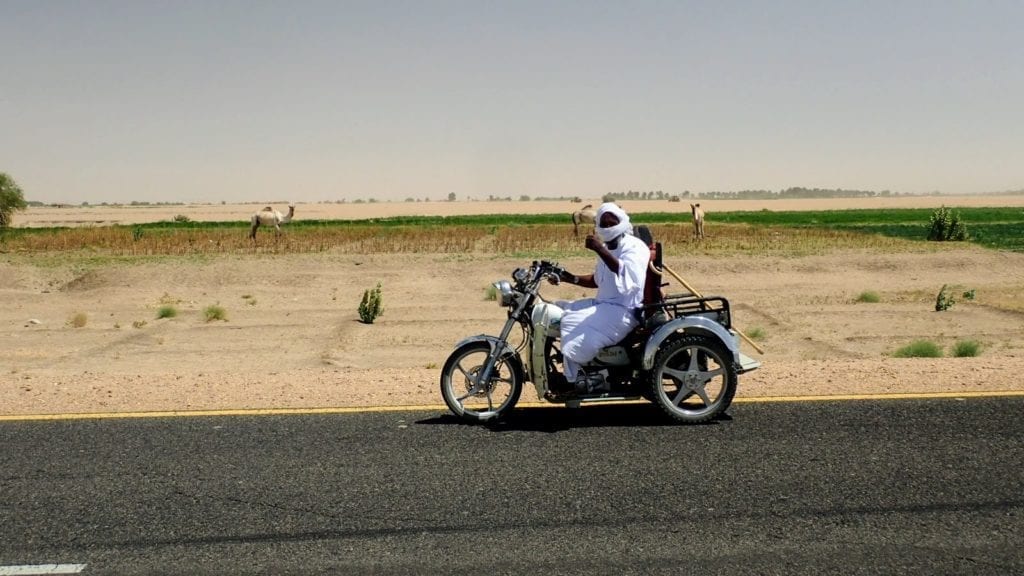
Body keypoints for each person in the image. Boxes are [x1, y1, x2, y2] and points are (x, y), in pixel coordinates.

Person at [552, 202, 649, 393]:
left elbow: (628, 275)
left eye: (611, 222)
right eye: (603, 224)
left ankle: (576, 380)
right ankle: (577, 371)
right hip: (605, 306)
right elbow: (597, 280)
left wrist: (599, 249)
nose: (607, 227)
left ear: (621, 221)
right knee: (558, 309)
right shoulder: (607, 247)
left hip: (624, 311)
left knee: (571, 321)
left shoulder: (634, 247)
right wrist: (568, 277)